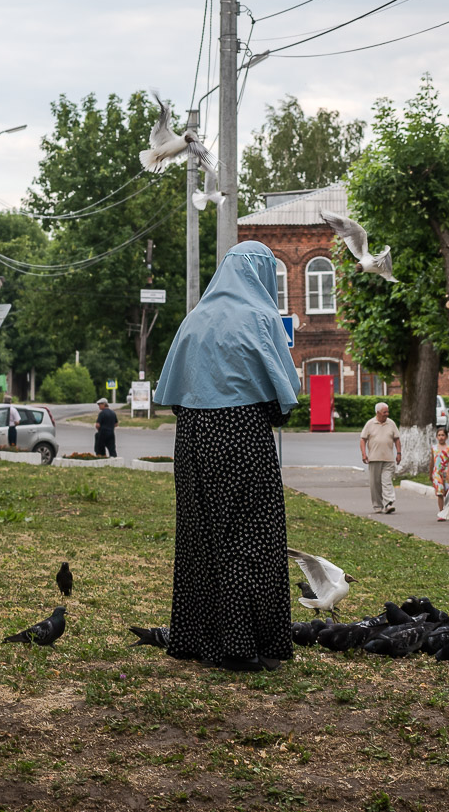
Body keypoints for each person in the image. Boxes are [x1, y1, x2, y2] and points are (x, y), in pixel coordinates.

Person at [153, 240, 300, 673]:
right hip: (242, 435)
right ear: (261, 274)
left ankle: (197, 639)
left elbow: (175, 394)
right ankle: (243, 647)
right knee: (250, 538)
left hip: (192, 438)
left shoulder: (194, 318)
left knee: (200, 537)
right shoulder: (261, 316)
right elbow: (281, 400)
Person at [360, 402, 402, 514]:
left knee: (387, 481)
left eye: (387, 412)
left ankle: (389, 503)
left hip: (389, 459)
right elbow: (363, 439)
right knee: (375, 484)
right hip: (374, 458)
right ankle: (377, 505)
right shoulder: (370, 424)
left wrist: (399, 453)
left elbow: (397, 439)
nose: (387, 414)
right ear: (378, 412)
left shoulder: (391, 423)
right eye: (385, 412)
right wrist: (364, 454)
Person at [428, 426, 449, 519]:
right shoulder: (434, 448)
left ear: (446, 436)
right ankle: (441, 511)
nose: (441, 437)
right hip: (437, 473)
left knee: (448, 493)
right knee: (439, 493)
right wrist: (430, 473)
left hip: (447, 473)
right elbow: (432, 461)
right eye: (439, 435)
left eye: (443, 435)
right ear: (436, 437)